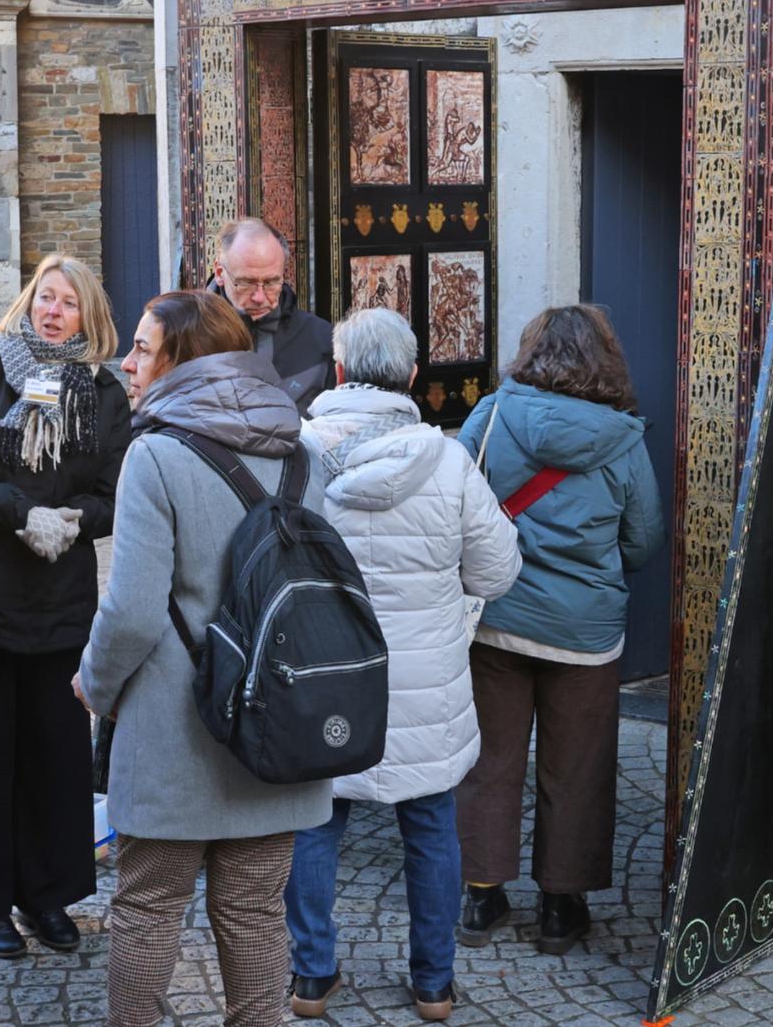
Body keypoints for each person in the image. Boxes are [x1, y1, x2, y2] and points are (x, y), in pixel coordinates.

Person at [76, 290, 333, 1027]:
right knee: (255, 913)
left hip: (173, 732)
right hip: (276, 726)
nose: (127, 363)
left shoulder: (155, 455)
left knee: (148, 909)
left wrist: (94, 683)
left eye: (142, 349)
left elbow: (131, 611)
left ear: (183, 361)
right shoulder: (304, 456)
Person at [284, 309, 520, 1022]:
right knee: (431, 825)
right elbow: (496, 572)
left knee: (315, 824)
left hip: (325, 677)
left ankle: (311, 977)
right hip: (424, 685)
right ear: (413, 376)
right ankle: (433, 985)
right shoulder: (448, 462)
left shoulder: (296, 456)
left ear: (338, 371)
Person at [0, 255, 131, 958]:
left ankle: (46, 895)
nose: (53, 311)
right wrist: (17, 511)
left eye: (69, 302)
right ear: (28, 304)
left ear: (88, 317)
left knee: (53, 760)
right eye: (45, 297)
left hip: (57, 603)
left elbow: (113, 494)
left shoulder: (104, 394)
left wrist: (74, 520)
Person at [453, 304, 663, 958]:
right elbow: (644, 540)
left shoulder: (490, 416)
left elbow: (456, 506)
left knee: (487, 758)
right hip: (585, 630)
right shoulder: (623, 439)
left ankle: (482, 893)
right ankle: (560, 907)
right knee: (578, 767)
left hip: (496, 618)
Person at [209, 217, 334, 412]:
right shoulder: (185, 335)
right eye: (247, 283)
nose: (259, 297)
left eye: (271, 282)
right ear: (219, 273)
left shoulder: (321, 339)